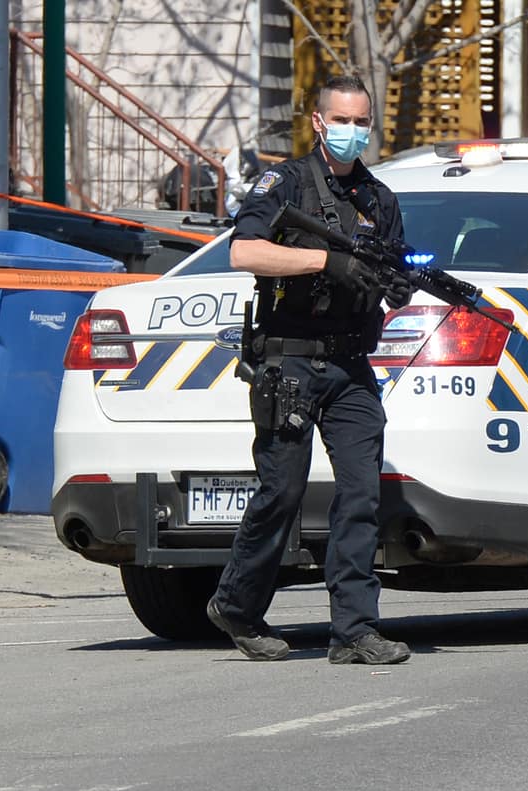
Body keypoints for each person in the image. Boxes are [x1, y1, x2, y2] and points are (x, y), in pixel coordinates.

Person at [206, 74, 414, 665]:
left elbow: (394, 266)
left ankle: (354, 631)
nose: (353, 131)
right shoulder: (287, 182)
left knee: (361, 494)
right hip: (289, 362)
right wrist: (326, 261)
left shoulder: (379, 198)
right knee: (283, 491)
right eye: (342, 120)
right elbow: (244, 251)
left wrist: (396, 285)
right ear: (319, 122)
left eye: (362, 122)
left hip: (350, 366)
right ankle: (237, 606)